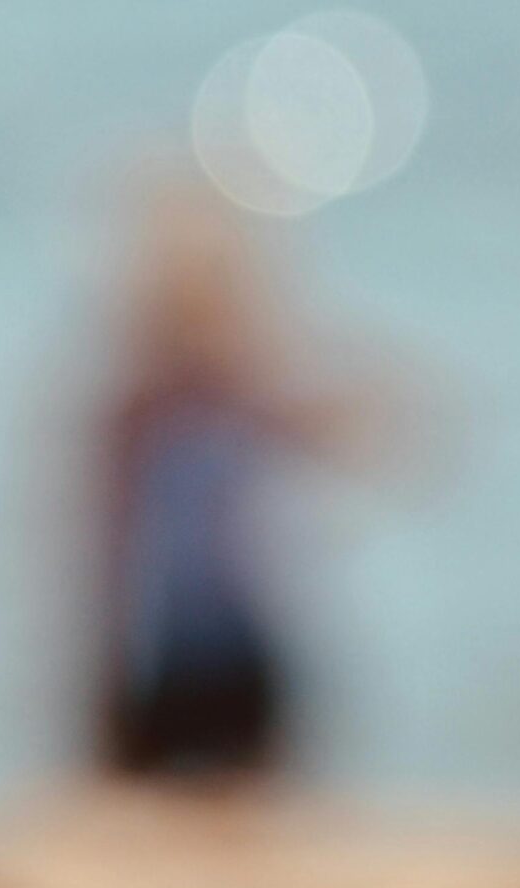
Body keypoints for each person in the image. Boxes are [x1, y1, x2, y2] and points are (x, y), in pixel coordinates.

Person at [86, 186, 386, 788]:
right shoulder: (137, 411)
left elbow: (373, 431)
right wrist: (104, 663)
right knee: (151, 813)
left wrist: (286, 365)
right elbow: (105, 546)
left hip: (245, 642)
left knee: (256, 807)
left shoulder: (250, 392)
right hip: (167, 646)